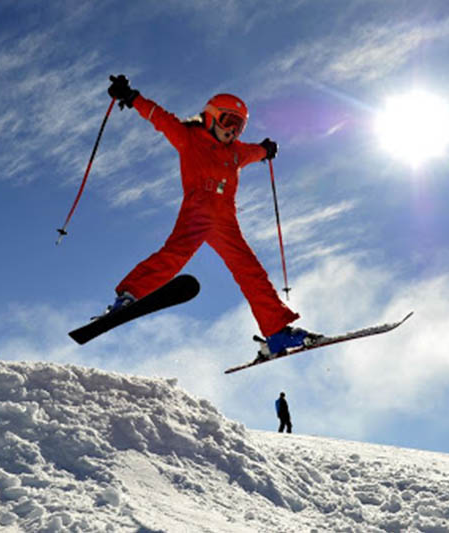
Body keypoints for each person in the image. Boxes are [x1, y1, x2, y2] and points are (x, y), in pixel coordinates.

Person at [105, 74, 318, 355]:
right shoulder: (189, 137)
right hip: (198, 211)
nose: (234, 131)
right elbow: (160, 118)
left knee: (250, 271)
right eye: (229, 121)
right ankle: (128, 296)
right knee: (175, 254)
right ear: (211, 117)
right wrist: (132, 97)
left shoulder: (236, 152)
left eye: (239, 126)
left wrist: (265, 150)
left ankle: (276, 331)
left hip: (226, 220)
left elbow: (254, 152)